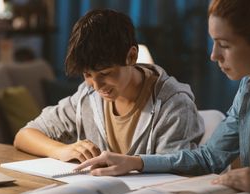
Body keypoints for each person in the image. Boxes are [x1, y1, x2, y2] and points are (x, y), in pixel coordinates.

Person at [75, 0, 250, 194]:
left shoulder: (172, 98)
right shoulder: (248, 91)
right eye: (213, 42)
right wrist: (135, 162)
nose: (214, 55)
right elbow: (208, 158)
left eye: (224, 45)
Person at [13, 9, 204, 163]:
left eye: (105, 73)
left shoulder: (174, 104)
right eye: (87, 75)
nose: (96, 86)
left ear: (131, 56)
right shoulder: (86, 97)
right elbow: (24, 135)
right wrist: (61, 150)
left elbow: (174, 175)